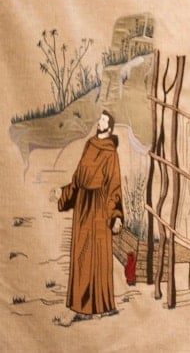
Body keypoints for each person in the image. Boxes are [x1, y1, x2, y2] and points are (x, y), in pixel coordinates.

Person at [54, 109, 124, 321]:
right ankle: (79, 305)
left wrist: (115, 215)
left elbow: (114, 186)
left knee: (96, 257)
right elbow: (78, 176)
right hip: (83, 206)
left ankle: (98, 305)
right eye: (100, 118)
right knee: (81, 255)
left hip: (100, 209)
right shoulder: (89, 144)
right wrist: (65, 193)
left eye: (103, 120)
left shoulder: (111, 153)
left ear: (109, 128)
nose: (99, 121)